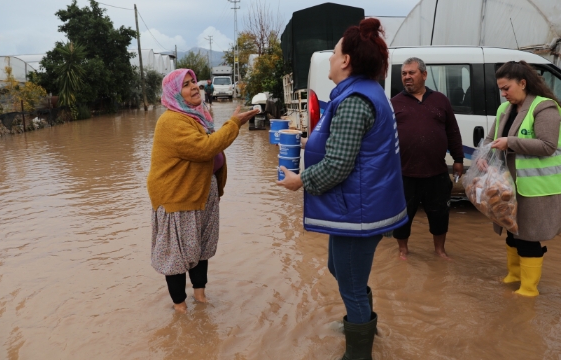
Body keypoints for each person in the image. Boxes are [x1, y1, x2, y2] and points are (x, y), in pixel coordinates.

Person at [277, 18, 407, 359]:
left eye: (335, 54)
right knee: (341, 269)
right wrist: (311, 143)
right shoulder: (365, 92)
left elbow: (338, 165)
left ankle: (359, 350)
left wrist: (299, 181)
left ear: (346, 61)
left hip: (359, 210)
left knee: (348, 280)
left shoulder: (353, 101)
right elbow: (349, 149)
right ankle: (361, 322)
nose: (332, 60)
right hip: (359, 205)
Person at [147, 69, 258, 313]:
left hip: (201, 193)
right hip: (179, 196)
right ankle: (180, 309)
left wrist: (232, 125)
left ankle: (200, 297)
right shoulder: (171, 121)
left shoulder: (196, 116)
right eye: (186, 85)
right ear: (174, 94)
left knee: (201, 247)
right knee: (176, 256)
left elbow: (211, 145)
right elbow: (205, 149)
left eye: (194, 81)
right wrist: (234, 124)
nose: (194, 87)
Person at [481, 60, 561, 297]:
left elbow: (548, 145)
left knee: (529, 237)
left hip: (537, 187)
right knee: (512, 231)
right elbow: (490, 139)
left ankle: (529, 289)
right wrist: (484, 156)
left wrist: (509, 142)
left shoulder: (545, 108)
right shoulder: (505, 110)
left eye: (506, 88)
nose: (503, 94)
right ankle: (514, 275)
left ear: (523, 83)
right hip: (508, 186)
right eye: (500, 89)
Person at [390, 57, 464, 260]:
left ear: (424, 74)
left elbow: (452, 131)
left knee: (440, 215)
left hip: (436, 172)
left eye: (411, 73)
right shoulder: (395, 103)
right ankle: (403, 250)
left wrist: (458, 159)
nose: (407, 77)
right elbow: (386, 138)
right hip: (404, 173)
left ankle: (440, 251)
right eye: (404, 73)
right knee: (402, 217)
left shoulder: (441, 100)